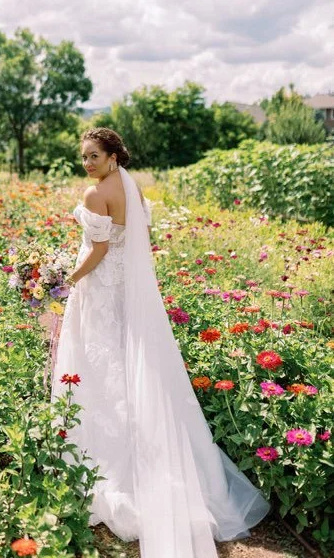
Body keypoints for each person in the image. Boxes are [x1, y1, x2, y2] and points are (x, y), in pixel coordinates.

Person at [50, 127, 270, 558]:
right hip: (122, 291)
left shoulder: (96, 195)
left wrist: (65, 281)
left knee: (98, 366)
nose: (87, 164)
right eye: (84, 157)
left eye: (94, 156)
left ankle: (105, 461)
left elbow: (96, 250)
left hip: (98, 289)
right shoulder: (130, 187)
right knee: (120, 364)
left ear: (113, 156)